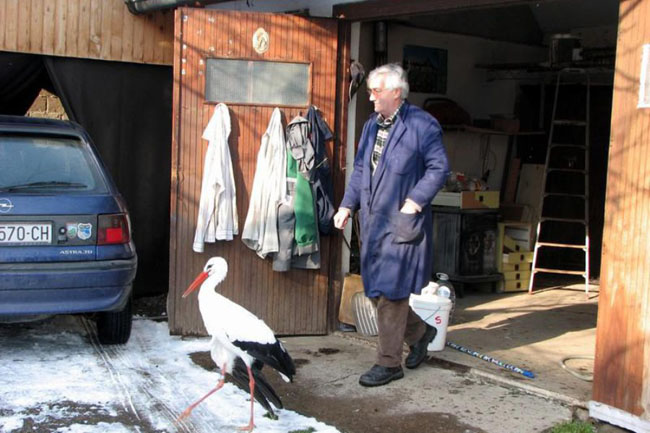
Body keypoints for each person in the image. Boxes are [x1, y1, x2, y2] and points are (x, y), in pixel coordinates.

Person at [333, 63, 449, 387]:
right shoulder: (372, 126)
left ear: (396, 93)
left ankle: (388, 363)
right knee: (374, 290)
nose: (370, 98)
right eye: (370, 91)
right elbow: (360, 171)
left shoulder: (423, 126)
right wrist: (346, 205)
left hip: (402, 222)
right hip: (372, 223)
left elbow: (439, 168)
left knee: (392, 294)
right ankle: (421, 332)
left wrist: (415, 201)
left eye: (376, 91)